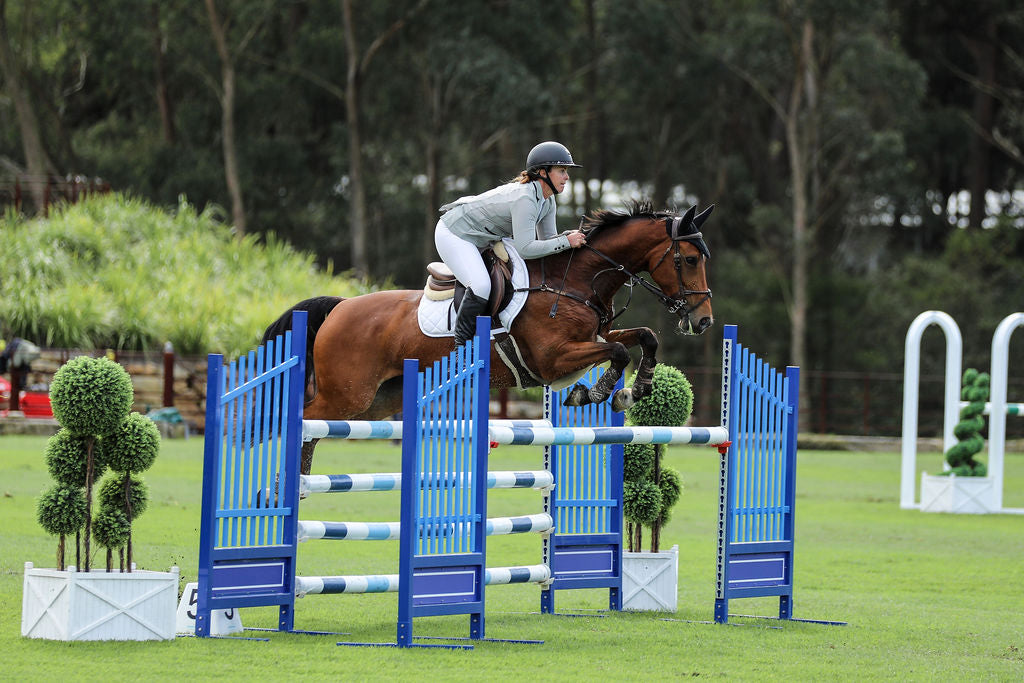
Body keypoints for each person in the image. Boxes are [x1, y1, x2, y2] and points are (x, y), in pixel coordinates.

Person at [435, 140, 588, 345]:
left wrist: (565, 239)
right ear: (543, 172)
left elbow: (548, 242)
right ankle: (459, 349)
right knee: (481, 286)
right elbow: (525, 249)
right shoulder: (525, 199)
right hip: (455, 233)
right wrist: (566, 242)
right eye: (562, 170)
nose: (567, 177)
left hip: (484, 237)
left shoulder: (547, 199)